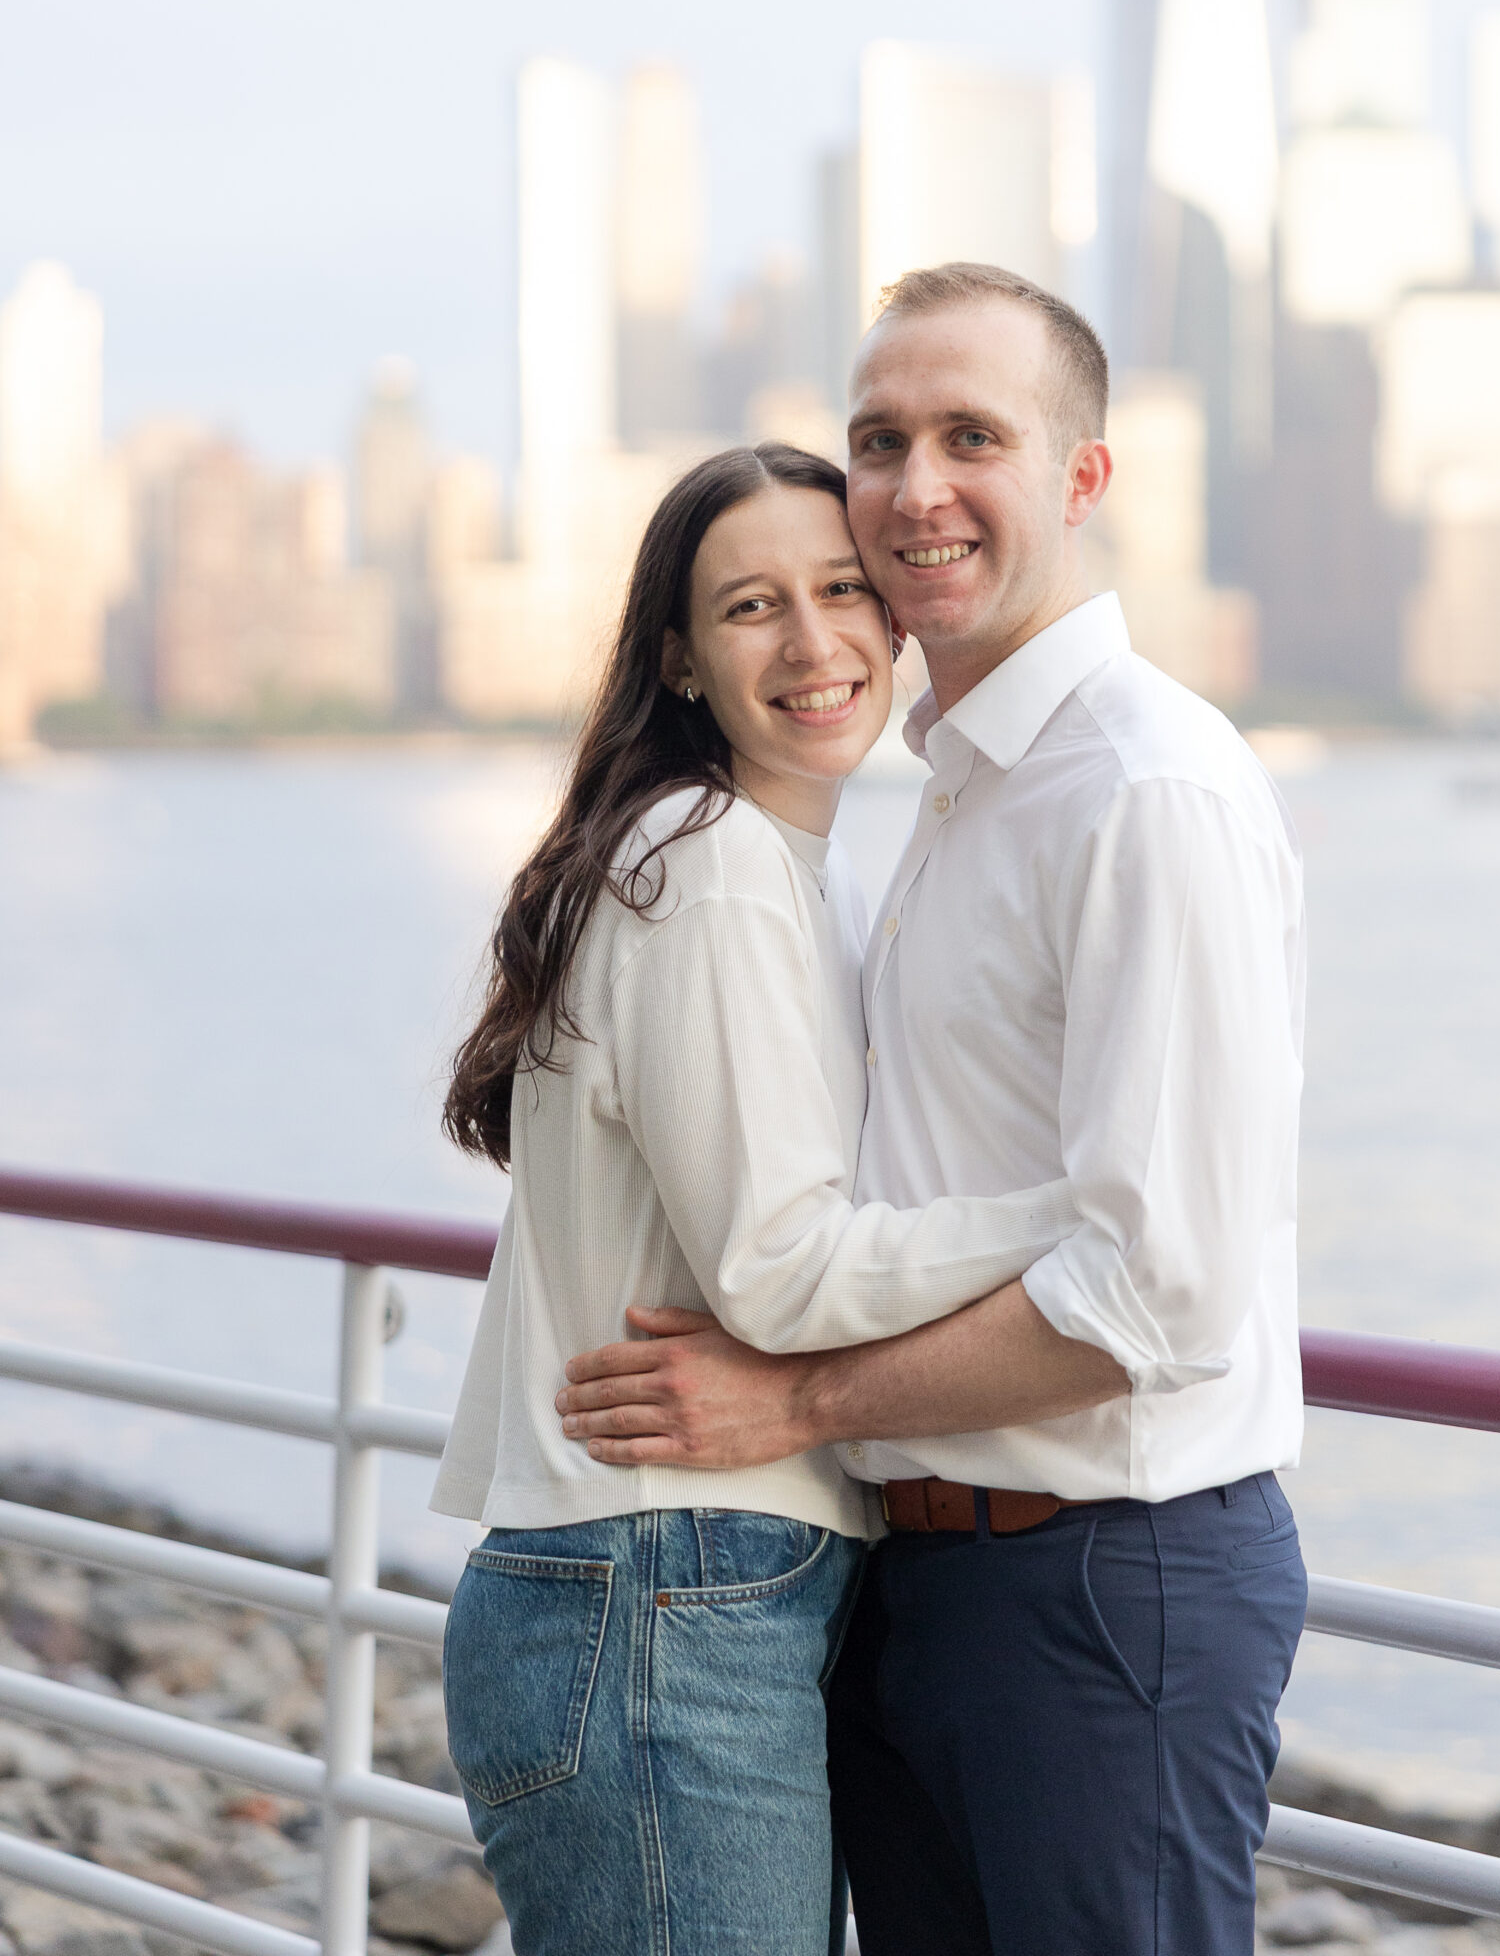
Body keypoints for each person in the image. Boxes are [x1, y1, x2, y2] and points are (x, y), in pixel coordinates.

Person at [556, 265, 1311, 1956]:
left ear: (1084, 478)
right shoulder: (955, 791)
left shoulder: (1142, 790)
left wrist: (797, 1399)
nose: (916, 488)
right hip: (926, 1586)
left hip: (1110, 1587)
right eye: (881, 439)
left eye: (976, 435)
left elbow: (1156, 1289)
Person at [430, 439, 1075, 1956]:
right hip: (663, 1590)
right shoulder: (707, 863)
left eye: (843, 590)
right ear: (679, 656)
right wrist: (1082, 1213)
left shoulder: (782, 867)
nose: (814, 643)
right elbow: (779, 1271)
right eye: (750, 608)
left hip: (670, 1591)